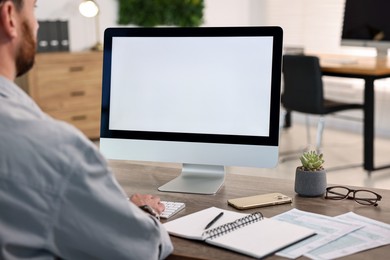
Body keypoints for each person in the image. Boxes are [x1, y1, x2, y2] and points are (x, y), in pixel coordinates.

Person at [0, 0, 173, 259]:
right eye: (34, 8)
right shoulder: (56, 150)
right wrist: (141, 214)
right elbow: (143, 249)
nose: (37, 25)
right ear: (10, 16)